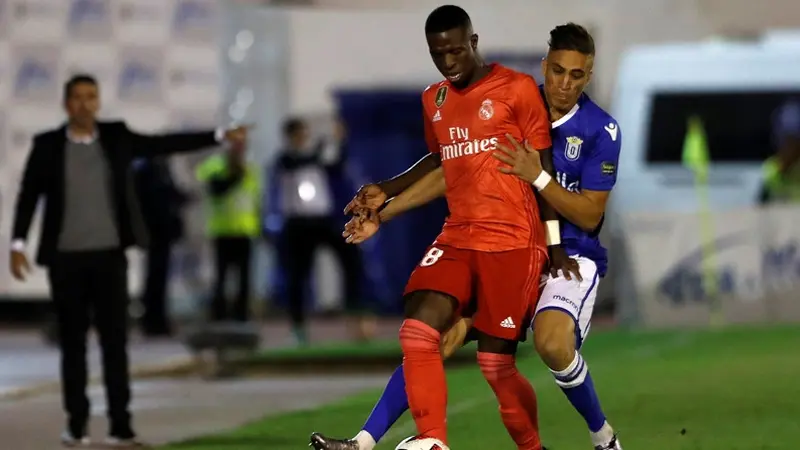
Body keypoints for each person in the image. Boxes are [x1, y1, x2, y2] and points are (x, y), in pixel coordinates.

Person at [311, 23, 623, 450]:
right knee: (433, 341)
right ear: (545, 66)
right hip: (506, 247)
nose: (563, 84)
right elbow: (453, 167)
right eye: (557, 71)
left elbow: (588, 216)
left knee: (549, 344)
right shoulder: (511, 99)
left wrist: (538, 179)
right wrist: (387, 203)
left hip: (568, 255)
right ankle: (364, 441)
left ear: (589, 76)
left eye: (576, 75)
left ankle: (603, 437)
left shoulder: (600, 131)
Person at [8, 74, 247, 447]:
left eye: (91, 97)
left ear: (98, 102)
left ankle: (121, 425)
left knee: (115, 345)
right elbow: (28, 195)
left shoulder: (117, 137)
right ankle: (77, 425)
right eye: (78, 97)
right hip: (65, 259)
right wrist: (18, 243)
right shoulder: (47, 146)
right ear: (66, 104)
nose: (85, 104)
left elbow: (163, 144)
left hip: (109, 257)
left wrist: (217, 136)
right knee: (73, 346)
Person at [266, 118, 364, 345]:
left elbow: (337, 164)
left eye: (305, 134)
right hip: (297, 224)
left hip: (321, 220)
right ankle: (298, 327)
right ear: (289, 136)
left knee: (351, 259)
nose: (303, 138)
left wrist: (340, 141)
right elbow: (297, 162)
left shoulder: (315, 158)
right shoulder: (284, 159)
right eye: (299, 134)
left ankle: (355, 317)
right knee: (297, 276)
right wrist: (322, 148)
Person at [196, 137, 261, 322]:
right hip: (222, 231)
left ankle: (241, 316)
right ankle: (219, 316)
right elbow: (215, 189)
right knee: (221, 278)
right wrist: (235, 176)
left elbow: (255, 199)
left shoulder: (251, 168)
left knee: (244, 279)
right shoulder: (215, 166)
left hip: (245, 231)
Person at [133, 156, 190, 337]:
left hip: (162, 231)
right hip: (154, 230)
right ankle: (153, 321)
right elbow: (154, 196)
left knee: (159, 277)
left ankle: (157, 320)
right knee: (155, 277)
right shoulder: (147, 170)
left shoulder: (161, 168)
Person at [759, 98, 800, 204]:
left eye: (793, 141)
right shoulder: (771, 170)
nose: (789, 148)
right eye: (785, 141)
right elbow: (761, 207)